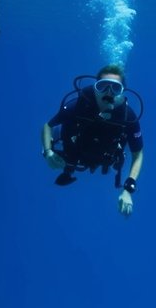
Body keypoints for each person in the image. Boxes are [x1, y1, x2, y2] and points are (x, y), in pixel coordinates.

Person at [41, 64, 144, 217]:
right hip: (74, 149)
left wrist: (128, 190)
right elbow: (47, 126)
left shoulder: (128, 117)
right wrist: (48, 152)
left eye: (115, 88)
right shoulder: (78, 105)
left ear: (122, 93)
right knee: (58, 134)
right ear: (95, 88)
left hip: (103, 156)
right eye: (102, 86)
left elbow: (138, 154)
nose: (108, 92)